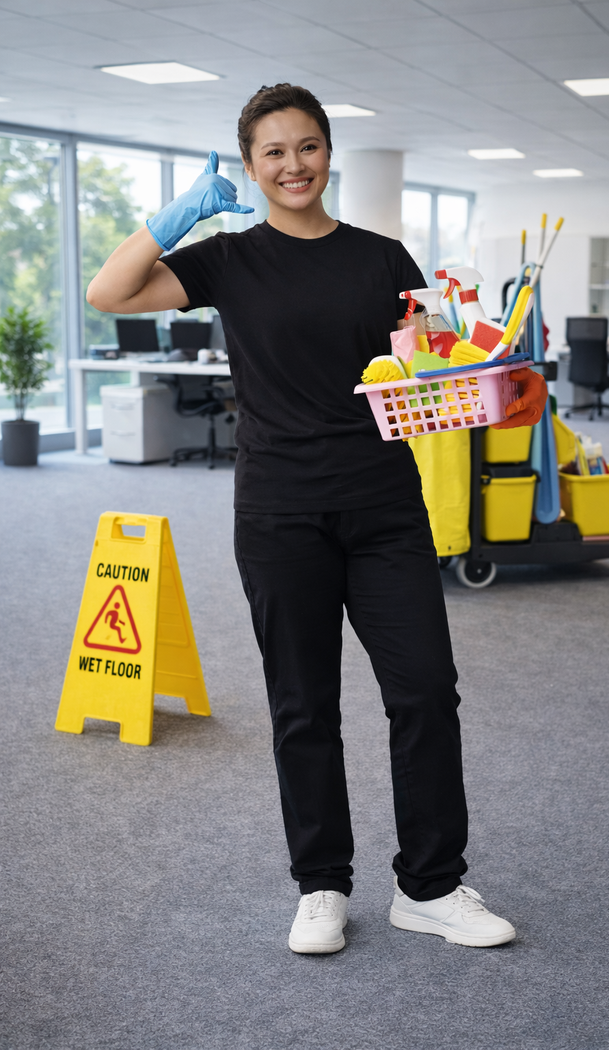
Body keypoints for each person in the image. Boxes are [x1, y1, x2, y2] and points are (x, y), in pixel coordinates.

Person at [87, 83, 547, 955]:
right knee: (303, 705)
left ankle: (432, 885)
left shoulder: (384, 259)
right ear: (252, 166)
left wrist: (478, 372)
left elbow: (427, 363)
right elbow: (109, 292)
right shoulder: (227, 258)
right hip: (279, 511)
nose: (292, 164)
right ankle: (321, 884)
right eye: (273, 151)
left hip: (383, 508)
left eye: (307, 146)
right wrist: (178, 217)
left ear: (330, 153)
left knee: (423, 692)